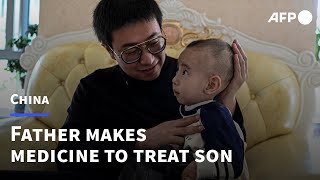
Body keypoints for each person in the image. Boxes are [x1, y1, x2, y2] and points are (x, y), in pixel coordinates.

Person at [55, 0, 248, 179]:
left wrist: (228, 95)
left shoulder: (196, 78)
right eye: (131, 51)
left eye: (154, 43)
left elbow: (232, 151)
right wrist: (140, 142)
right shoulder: (94, 87)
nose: (148, 59)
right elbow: (66, 156)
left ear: (162, 33)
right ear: (110, 51)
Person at [173, 39, 249, 180]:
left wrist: (198, 168)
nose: (174, 79)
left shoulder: (214, 114)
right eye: (177, 70)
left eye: (184, 72)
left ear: (211, 85)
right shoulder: (194, 110)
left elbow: (233, 160)